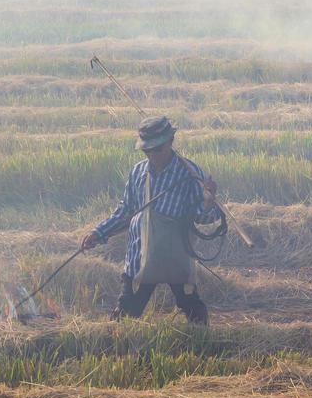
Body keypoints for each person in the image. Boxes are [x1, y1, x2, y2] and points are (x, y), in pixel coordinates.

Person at [81, 115, 223, 325]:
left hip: (176, 253)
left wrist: (209, 201)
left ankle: (203, 344)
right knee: (126, 313)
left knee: (193, 309)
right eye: (148, 150)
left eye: (158, 149)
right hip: (140, 255)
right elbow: (125, 211)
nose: (153, 155)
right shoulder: (138, 172)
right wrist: (98, 233)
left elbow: (203, 217)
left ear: (171, 141)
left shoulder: (190, 173)